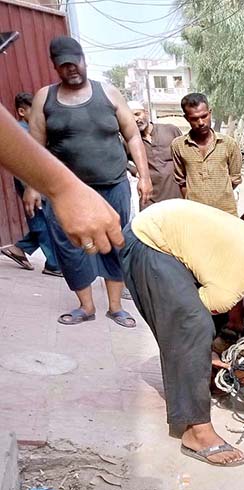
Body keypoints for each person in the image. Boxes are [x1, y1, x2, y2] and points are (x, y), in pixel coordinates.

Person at [121, 199, 244, 466]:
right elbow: (187, 319)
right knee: (194, 326)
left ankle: (198, 379)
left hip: (167, 218)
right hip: (147, 240)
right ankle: (196, 431)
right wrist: (204, 354)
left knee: (198, 325)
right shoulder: (229, 289)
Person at [25, 36, 151, 328]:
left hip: (113, 185)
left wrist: (143, 176)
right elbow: (35, 146)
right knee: (70, 247)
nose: (72, 70)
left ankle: (116, 307)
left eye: (76, 63)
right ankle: (86, 306)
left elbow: (132, 134)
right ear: (55, 67)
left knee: (115, 242)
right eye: (64, 66)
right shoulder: (45, 97)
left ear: (84, 59)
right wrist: (32, 185)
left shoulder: (108, 93)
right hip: (66, 192)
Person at [0, 103, 123, 253]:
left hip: (58, 183)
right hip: (44, 183)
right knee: (43, 226)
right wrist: (63, 188)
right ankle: (49, 262)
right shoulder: (27, 127)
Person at [0, 92, 62, 276]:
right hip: (29, 182)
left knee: (41, 220)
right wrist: (29, 187)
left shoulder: (34, 129)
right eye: (34, 110)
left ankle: (18, 249)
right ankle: (52, 264)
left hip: (36, 182)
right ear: (21, 111)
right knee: (40, 222)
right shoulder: (21, 130)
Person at [171, 93, 242, 216]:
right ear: (186, 118)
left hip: (226, 213)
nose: (201, 122)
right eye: (194, 118)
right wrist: (193, 201)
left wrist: (218, 194)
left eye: (204, 116)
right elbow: (181, 180)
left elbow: (235, 178)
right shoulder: (178, 145)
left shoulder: (228, 143)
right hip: (196, 215)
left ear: (210, 112)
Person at [127, 100, 182, 208]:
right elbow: (119, 160)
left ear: (146, 113)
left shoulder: (170, 130)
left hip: (176, 196)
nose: (136, 119)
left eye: (138, 114)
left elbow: (185, 154)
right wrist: (135, 171)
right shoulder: (129, 141)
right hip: (150, 198)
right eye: (130, 117)